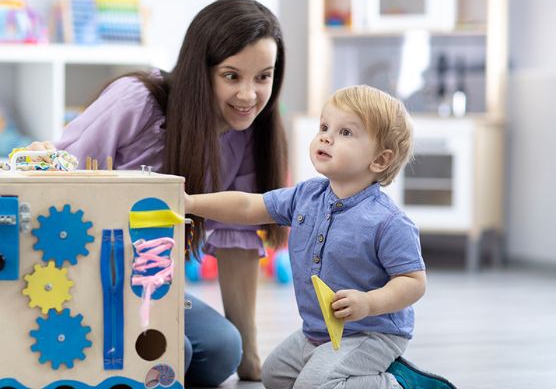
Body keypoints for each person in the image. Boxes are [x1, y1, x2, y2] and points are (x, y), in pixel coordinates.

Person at [27, 0, 288, 385]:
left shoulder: (249, 136)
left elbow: (237, 244)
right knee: (169, 354)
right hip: (82, 276)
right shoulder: (139, 100)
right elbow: (65, 176)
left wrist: (250, 359)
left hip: (151, 288)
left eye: (263, 77)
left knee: (223, 351)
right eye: (232, 76)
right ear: (202, 70)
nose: (249, 96)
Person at [185, 85, 457, 388]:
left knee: (311, 386)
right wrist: (192, 203)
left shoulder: (389, 222)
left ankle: (394, 385)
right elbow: (249, 205)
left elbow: (413, 282)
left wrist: (368, 303)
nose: (326, 137)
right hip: (318, 332)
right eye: (325, 127)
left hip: (370, 334)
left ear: (380, 160)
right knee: (274, 375)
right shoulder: (307, 195)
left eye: (345, 133)